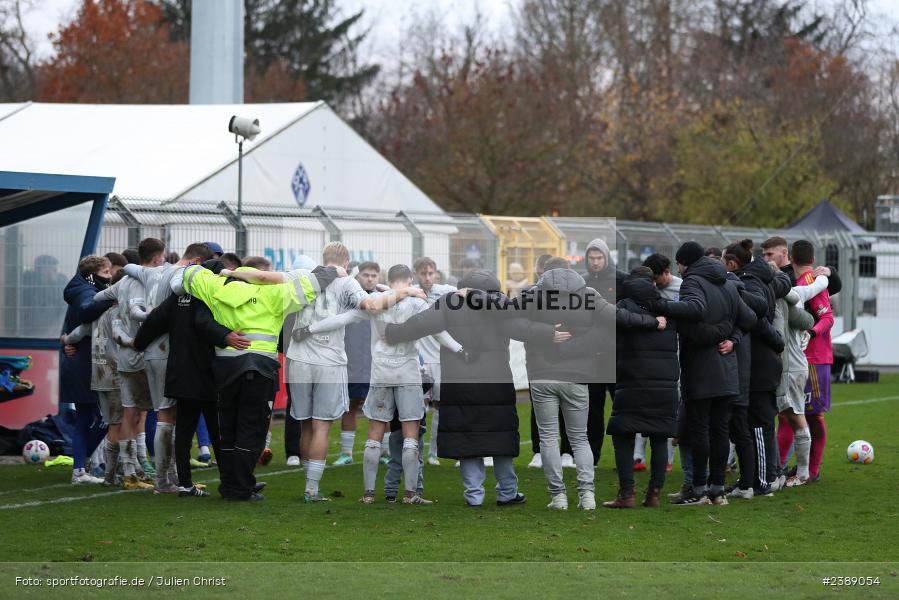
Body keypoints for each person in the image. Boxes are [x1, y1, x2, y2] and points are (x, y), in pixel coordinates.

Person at [220, 243, 418, 502]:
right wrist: (405, 291)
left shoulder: (305, 275)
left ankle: (308, 482)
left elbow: (263, 277)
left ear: (324, 259)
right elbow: (372, 305)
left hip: (298, 358)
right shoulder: (347, 283)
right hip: (329, 360)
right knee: (321, 426)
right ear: (345, 263)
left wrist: (230, 273)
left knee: (305, 424)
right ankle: (311, 489)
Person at [166, 255, 336, 501]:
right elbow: (317, 281)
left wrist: (220, 275)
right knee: (251, 431)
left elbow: (186, 273)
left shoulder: (215, 288)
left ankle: (229, 485)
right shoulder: (274, 293)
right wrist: (332, 269)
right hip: (259, 371)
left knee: (228, 430)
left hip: (225, 369)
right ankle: (242, 488)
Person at [385, 269, 550, 507]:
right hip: (496, 382)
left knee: (466, 438)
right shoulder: (498, 305)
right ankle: (507, 492)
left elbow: (422, 323)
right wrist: (552, 333)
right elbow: (523, 329)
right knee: (501, 436)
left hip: (459, 383)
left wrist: (393, 333)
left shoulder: (449, 302)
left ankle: (474, 495)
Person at [133, 258, 251, 497]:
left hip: (181, 372)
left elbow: (154, 319)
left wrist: (139, 343)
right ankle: (228, 481)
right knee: (219, 431)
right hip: (208, 373)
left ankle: (185, 484)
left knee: (185, 431)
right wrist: (226, 336)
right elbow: (203, 323)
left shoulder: (178, 297)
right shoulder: (208, 296)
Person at [654, 242, 753, 505]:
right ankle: (717, 491)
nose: (678, 269)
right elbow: (749, 318)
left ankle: (699, 489)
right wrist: (732, 338)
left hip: (700, 368)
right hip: (727, 368)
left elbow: (695, 309)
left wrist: (662, 307)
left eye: (678, 264)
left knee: (699, 430)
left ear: (685, 263)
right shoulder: (728, 283)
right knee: (720, 430)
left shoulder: (692, 282)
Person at [520, 261, 617, 510]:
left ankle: (559, 497)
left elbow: (508, 320)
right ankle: (587, 496)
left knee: (548, 438)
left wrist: (543, 333)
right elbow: (614, 321)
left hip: (542, 375)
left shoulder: (533, 295)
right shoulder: (589, 295)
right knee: (580, 438)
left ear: (544, 273)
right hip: (577, 375)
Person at [123, 240, 214, 494]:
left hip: (151, 352)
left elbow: (128, 266)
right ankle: (164, 481)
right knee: (167, 415)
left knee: (164, 413)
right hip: (167, 351)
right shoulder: (180, 275)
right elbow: (175, 293)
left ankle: (173, 476)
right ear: (197, 262)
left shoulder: (151, 271)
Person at [604, 268, 681, 508]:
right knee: (660, 435)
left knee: (622, 435)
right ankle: (654, 494)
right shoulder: (667, 307)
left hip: (631, 381)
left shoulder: (623, 307)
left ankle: (627, 493)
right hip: (665, 382)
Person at [722, 240, 788, 499]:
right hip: (761, 360)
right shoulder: (759, 277)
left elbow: (756, 317)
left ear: (732, 263)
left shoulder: (748, 282)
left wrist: (776, 340)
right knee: (752, 424)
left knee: (759, 425)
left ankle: (764, 480)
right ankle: (753, 479)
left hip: (760, 364)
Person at [94, 247, 158, 485]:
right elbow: (119, 338)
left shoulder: (106, 311)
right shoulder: (116, 313)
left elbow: (81, 330)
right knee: (122, 421)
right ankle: (119, 473)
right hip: (115, 373)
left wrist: (67, 340)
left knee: (129, 418)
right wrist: (136, 342)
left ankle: (129, 469)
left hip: (107, 373)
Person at [771, 263, 828, 489]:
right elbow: (821, 283)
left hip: (790, 367)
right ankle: (775, 470)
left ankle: (801, 472)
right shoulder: (798, 293)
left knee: (794, 415)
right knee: (785, 416)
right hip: (792, 365)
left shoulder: (779, 297)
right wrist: (826, 273)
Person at [61, 255, 115, 485]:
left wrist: (66, 341)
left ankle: (81, 465)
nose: (110, 276)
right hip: (84, 366)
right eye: (106, 273)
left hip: (84, 363)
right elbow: (85, 312)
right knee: (100, 418)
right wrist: (111, 301)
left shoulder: (82, 289)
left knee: (94, 417)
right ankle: (80, 467)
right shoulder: (86, 292)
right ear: (92, 276)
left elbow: (71, 327)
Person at [788, 240, 835, 484]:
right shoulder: (801, 282)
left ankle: (811, 471)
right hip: (801, 358)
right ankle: (797, 468)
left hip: (814, 359)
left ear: (790, 258)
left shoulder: (809, 282)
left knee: (812, 415)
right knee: (793, 414)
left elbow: (828, 317)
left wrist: (811, 333)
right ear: (813, 259)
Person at [413, 257, 457, 467]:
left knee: (440, 406)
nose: (427, 278)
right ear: (416, 274)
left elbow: (466, 292)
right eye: (423, 274)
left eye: (431, 273)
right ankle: (416, 452)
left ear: (436, 273)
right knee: (418, 407)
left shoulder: (446, 291)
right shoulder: (411, 293)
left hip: (440, 359)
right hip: (419, 360)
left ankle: (433, 453)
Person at [337, 261, 380, 466]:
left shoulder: (384, 299)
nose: (370, 279)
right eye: (365, 275)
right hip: (352, 364)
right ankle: (346, 453)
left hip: (376, 365)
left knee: (381, 409)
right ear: (357, 277)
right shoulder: (347, 300)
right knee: (350, 407)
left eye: (373, 275)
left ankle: (385, 452)